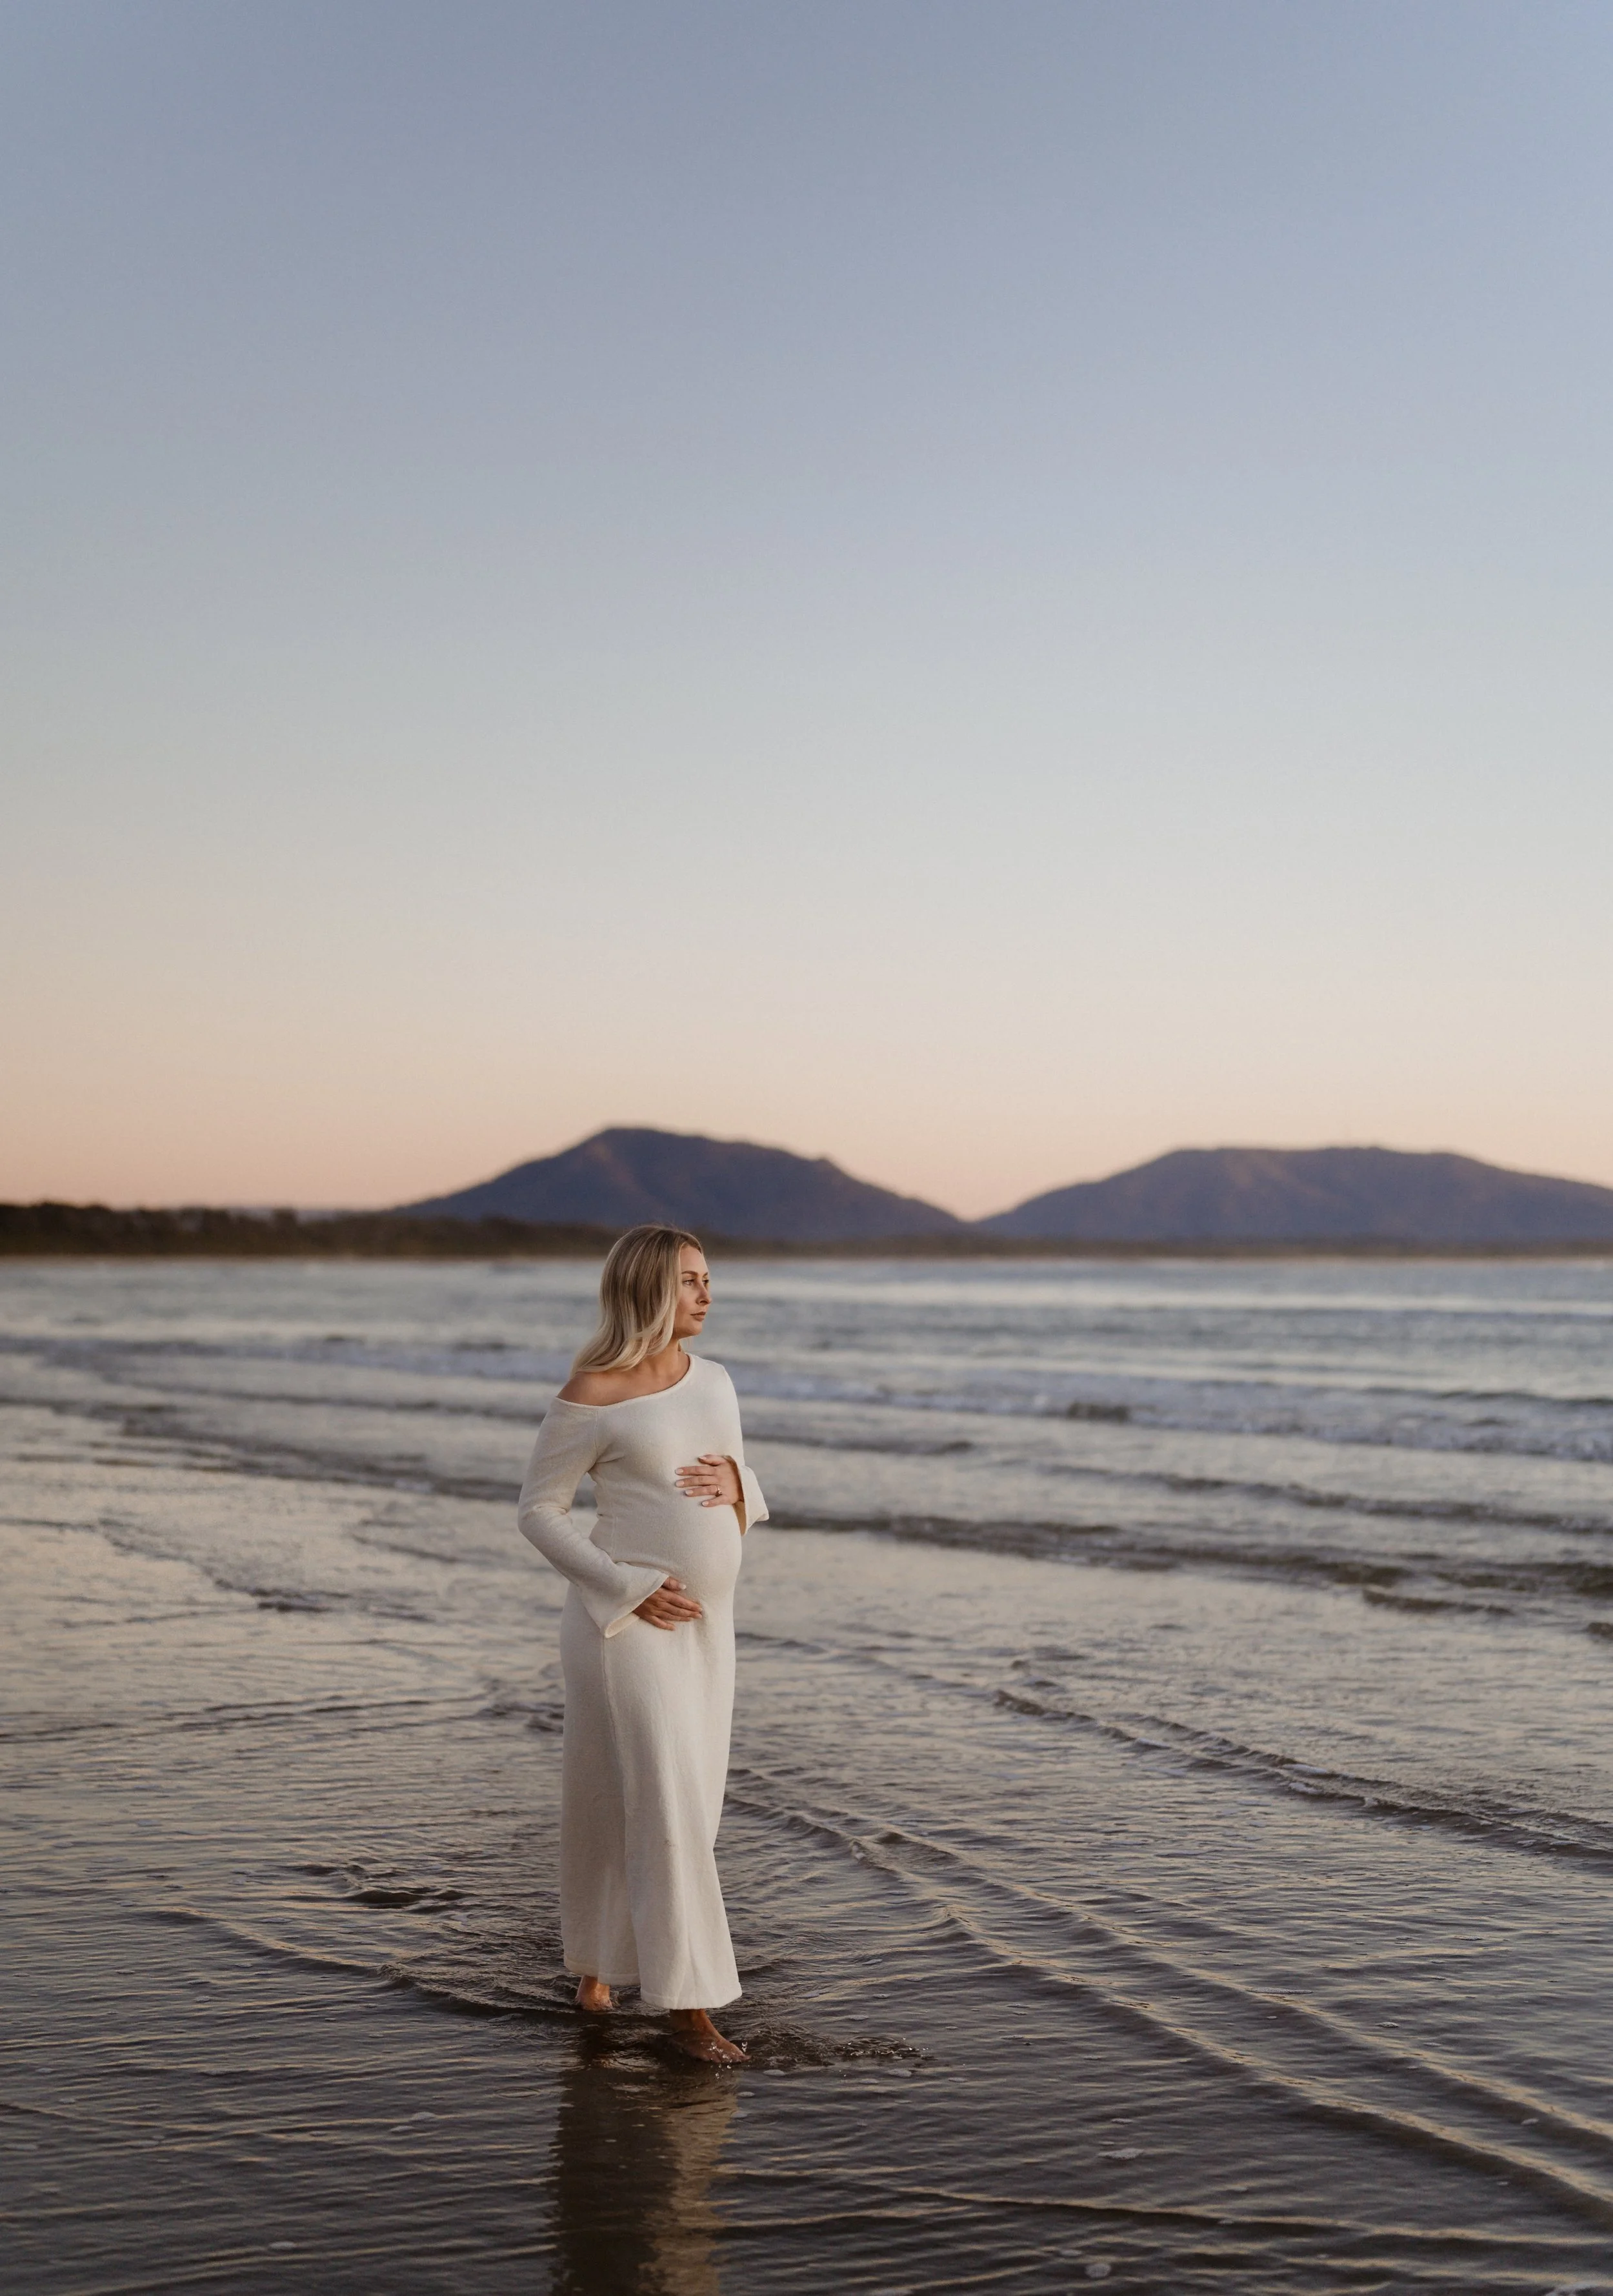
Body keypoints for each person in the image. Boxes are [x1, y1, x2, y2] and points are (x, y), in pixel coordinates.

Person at [516, 1224, 766, 2064]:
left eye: (708, 1279)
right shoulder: (595, 1389)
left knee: (663, 1801)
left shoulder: (719, 1381)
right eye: (691, 1280)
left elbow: (730, 1478)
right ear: (651, 1287)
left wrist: (745, 1485)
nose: (707, 1294)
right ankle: (687, 2010)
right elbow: (538, 1512)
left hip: (709, 1633)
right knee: (664, 1806)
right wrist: (625, 1585)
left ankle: (595, 1968)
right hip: (625, 1629)